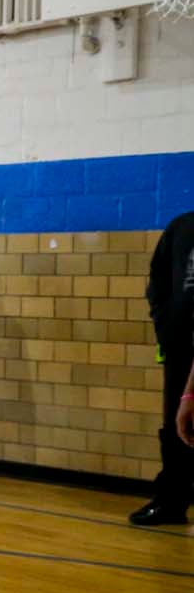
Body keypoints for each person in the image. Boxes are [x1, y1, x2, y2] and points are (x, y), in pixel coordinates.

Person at [131, 210, 194, 525]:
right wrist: (166, 327)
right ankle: (171, 500)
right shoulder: (182, 227)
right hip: (181, 346)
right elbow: (157, 279)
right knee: (176, 426)